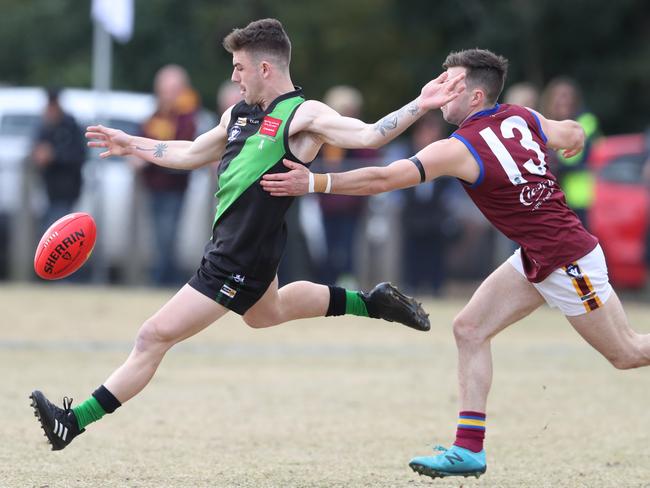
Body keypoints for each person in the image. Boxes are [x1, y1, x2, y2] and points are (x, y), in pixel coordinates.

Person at [29, 18, 465, 451]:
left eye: (239, 67)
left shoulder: (304, 114)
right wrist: (132, 142)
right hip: (235, 248)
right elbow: (191, 152)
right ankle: (370, 302)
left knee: (152, 336)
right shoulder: (237, 115)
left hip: (239, 258)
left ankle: (73, 421)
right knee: (265, 313)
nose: (234, 77)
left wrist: (421, 104)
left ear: (264, 69)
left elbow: (371, 133)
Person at [260, 48, 650, 480]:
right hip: (538, 255)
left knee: (628, 353)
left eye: (452, 85)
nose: (441, 92)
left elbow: (386, 178)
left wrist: (314, 182)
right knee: (469, 328)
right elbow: (571, 131)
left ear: (477, 96)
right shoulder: (522, 116)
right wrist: (574, 141)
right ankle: (469, 450)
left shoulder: (460, 147)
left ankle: (468, 448)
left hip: (566, 259)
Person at [134, 64, 200, 286]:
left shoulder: (186, 116)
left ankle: (164, 278)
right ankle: (163, 276)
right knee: (159, 234)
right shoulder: (155, 114)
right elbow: (143, 138)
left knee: (168, 233)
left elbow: (181, 145)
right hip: (154, 184)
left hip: (174, 184)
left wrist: (150, 154)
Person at [316, 85, 377, 287]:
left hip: (352, 204)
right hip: (326, 203)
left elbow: (369, 160)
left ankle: (347, 282)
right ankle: (328, 283)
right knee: (327, 245)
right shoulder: (323, 137)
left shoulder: (360, 134)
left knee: (349, 246)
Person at [541, 77, 600, 227]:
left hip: (577, 201)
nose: (563, 101)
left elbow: (572, 158)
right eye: (559, 96)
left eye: (568, 96)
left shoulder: (585, 122)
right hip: (548, 202)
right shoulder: (542, 124)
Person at [31, 87, 86, 231]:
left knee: (57, 230)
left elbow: (79, 154)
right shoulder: (45, 126)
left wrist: (54, 155)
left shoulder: (70, 126)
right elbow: (36, 150)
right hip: (49, 189)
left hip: (67, 188)